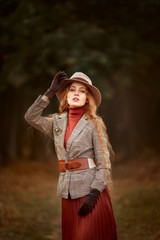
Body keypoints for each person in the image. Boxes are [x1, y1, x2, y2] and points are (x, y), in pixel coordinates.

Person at [24, 71, 118, 240]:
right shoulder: (57, 122)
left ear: (87, 98)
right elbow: (30, 117)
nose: (76, 93)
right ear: (66, 95)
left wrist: (94, 194)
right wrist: (49, 93)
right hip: (67, 192)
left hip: (91, 193)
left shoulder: (93, 123)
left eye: (82, 91)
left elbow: (104, 163)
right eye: (72, 89)